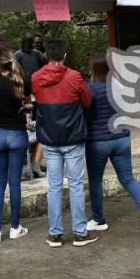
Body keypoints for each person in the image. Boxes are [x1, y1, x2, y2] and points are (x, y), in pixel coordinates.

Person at [84, 53, 140, 234]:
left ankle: (98, 219)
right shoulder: (120, 88)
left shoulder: (90, 89)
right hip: (122, 140)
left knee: (95, 181)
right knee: (128, 179)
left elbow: (85, 115)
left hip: (98, 142)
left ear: (93, 70)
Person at [32, 39, 97, 247]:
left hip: (49, 139)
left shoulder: (35, 78)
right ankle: (80, 232)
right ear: (65, 56)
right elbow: (87, 101)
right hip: (73, 138)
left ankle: (55, 234)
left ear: (45, 56)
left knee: (54, 186)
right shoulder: (75, 76)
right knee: (76, 184)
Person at [0, 50, 31, 244]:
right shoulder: (22, 82)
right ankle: (14, 227)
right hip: (17, 134)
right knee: (15, 183)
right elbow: (26, 100)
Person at [16, 34, 48, 178]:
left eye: (33, 42)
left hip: (38, 95)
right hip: (23, 97)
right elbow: (15, 74)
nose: (32, 45)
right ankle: (25, 166)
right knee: (25, 134)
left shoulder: (38, 55)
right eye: (29, 42)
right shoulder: (18, 55)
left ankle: (35, 164)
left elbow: (46, 69)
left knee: (39, 132)